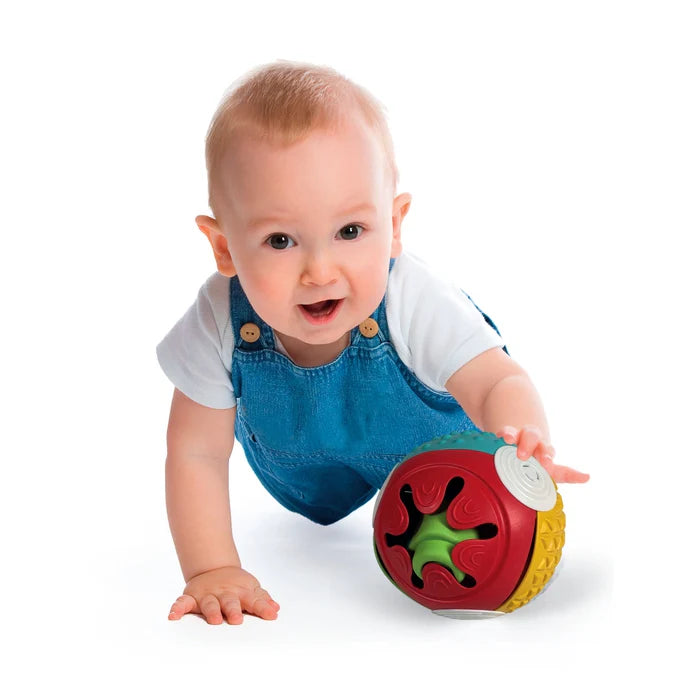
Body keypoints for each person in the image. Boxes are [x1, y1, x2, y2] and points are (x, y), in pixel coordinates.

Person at [156, 59, 589, 626]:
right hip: (303, 478)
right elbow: (196, 453)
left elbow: (496, 381)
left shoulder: (412, 296)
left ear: (395, 223)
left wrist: (519, 439)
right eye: (280, 240)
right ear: (224, 248)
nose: (320, 270)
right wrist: (211, 569)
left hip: (441, 464)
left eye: (350, 231)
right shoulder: (217, 319)